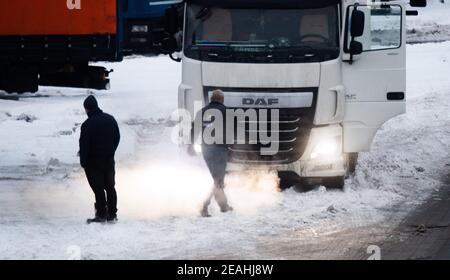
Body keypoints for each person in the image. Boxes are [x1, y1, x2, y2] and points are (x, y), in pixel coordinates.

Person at [189, 90, 233, 217]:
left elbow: (194, 130)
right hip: (220, 150)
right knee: (217, 179)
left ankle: (223, 205)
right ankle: (203, 206)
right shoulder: (227, 112)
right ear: (222, 99)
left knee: (214, 177)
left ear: (211, 99)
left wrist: (190, 146)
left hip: (206, 150)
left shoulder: (202, 112)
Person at [79, 95, 120, 224]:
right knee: (110, 187)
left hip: (94, 162)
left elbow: (84, 145)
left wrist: (84, 162)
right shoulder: (110, 119)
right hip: (108, 159)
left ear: (87, 109)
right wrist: (111, 150)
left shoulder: (87, 125)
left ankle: (101, 214)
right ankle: (112, 214)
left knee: (98, 188)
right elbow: (117, 137)